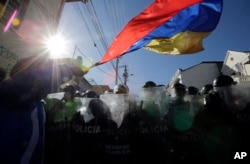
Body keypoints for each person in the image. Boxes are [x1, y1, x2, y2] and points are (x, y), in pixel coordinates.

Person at [0, 55, 81, 164]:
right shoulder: (8, 91)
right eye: (39, 71)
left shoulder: (39, 104)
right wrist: (69, 70)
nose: (44, 73)